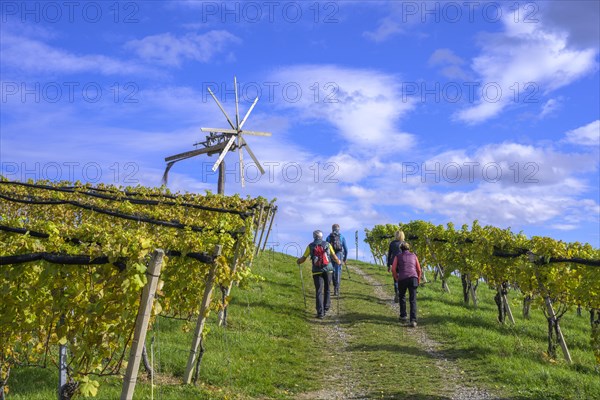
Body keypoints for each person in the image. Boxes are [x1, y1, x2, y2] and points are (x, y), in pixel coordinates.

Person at [297, 230, 341, 319]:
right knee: (327, 289)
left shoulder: (310, 246)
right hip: (328, 270)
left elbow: (303, 258)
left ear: (314, 237)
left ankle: (320, 313)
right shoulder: (328, 244)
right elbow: (333, 256)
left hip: (317, 271)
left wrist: (298, 261)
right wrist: (338, 261)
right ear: (321, 236)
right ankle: (326, 307)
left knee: (319, 291)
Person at [392, 242, 421, 327]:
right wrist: (418, 279)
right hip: (413, 278)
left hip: (402, 278)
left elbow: (393, 269)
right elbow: (419, 269)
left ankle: (403, 316)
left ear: (401, 249)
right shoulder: (414, 256)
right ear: (409, 248)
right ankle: (413, 320)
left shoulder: (398, 256)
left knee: (402, 297)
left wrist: (396, 277)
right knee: (413, 299)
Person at [326, 223, 348, 296]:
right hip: (339, 254)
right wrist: (345, 258)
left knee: (331, 271)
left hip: (331, 255)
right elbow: (346, 249)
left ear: (332, 229)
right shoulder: (341, 237)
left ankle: (334, 285)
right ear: (339, 229)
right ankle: (337, 290)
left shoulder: (329, 237)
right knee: (338, 271)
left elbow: (326, 248)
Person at [387, 230, 405, 303]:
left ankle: (397, 291)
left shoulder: (392, 243)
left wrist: (388, 265)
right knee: (403, 279)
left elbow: (389, 255)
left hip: (394, 262)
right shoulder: (404, 243)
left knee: (395, 279)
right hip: (402, 263)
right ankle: (401, 294)